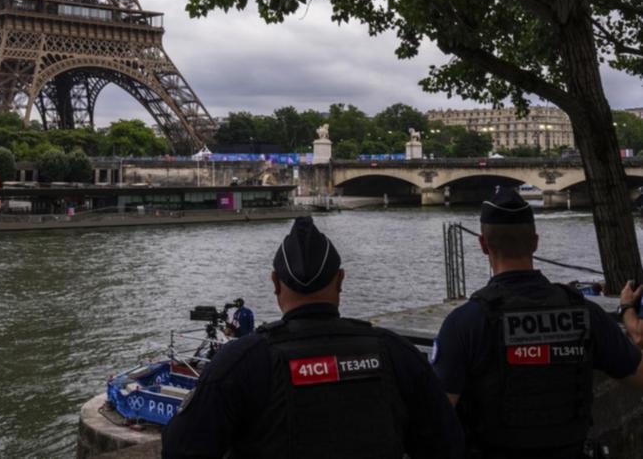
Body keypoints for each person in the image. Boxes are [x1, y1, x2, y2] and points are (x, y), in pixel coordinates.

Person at [162, 216, 464, 459]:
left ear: (275, 283)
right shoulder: (396, 353)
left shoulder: (240, 363)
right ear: (341, 280)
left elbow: (181, 448)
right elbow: (445, 444)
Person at [432, 189, 643, 459]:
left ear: (483, 245)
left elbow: (435, 420)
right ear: (535, 242)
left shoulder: (466, 324)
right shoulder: (585, 315)